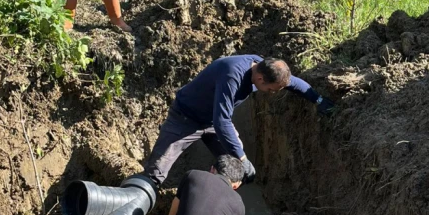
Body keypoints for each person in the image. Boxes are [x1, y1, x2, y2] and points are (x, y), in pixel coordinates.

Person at [143, 55, 334, 186]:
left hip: (212, 121)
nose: (273, 93)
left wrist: (319, 100)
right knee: (155, 172)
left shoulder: (265, 68)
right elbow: (222, 121)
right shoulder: (232, 75)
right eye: (271, 90)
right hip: (185, 118)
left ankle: (216, 205)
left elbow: (295, 83)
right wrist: (242, 157)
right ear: (260, 79)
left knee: (238, 172)